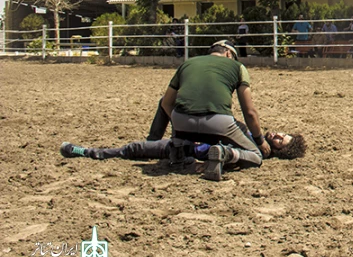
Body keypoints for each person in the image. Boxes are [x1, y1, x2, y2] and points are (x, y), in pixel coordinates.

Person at [157, 39, 273, 181]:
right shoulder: (237, 67)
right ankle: (225, 153)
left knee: (180, 109)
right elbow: (249, 111)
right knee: (255, 156)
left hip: (181, 123)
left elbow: (166, 102)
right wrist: (259, 140)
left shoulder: (187, 64)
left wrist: (178, 123)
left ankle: (178, 148)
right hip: (218, 124)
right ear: (229, 54)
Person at [61, 130, 306, 162]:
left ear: (280, 151)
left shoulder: (254, 154)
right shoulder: (252, 135)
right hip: (185, 144)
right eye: (280, 133)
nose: (274, 134)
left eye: (279, 140)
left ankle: (87, 152)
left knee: (137, 149)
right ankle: (87, 152)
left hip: (189, 150)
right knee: (135, 148)